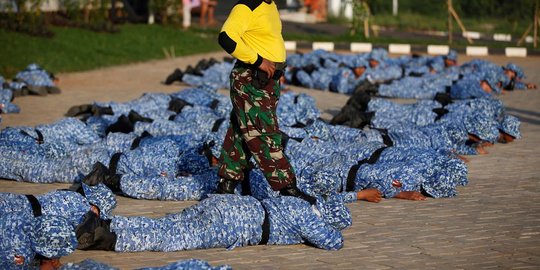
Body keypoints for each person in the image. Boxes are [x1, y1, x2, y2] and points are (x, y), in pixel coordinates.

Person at [216, 0, 315, 203]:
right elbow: (226, 38)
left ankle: (227, 183)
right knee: (264, 133)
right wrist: (259, 61)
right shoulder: (248, 5)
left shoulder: (269, 5)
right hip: (251, 78)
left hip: (266, 81)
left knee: (240, 132)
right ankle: (287, 187)